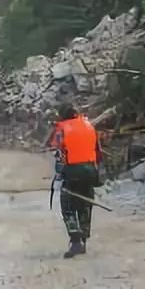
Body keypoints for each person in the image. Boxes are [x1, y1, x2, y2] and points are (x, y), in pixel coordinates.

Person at [46, 103, 102, 259]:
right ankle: (84, 239)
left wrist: (61, 169)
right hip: (90, 170)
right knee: (86, 203)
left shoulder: (62, 128)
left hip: (72, 171)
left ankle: (75, 240)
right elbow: (98, 152)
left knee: (68, 205)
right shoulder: (89, 125)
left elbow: (53, 147)